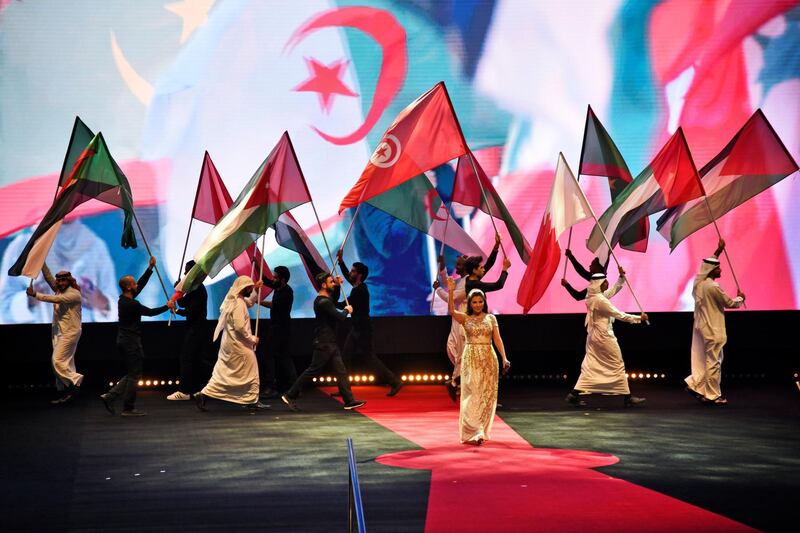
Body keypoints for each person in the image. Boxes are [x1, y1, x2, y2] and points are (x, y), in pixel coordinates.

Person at [281, 272, 366, 411]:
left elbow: (334, 299)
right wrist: (347, 310)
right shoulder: (323, 302)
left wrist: (338, 286)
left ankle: (349, 401)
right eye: (331, 282)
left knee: (341, 371)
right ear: (323, 285)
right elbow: (340, 317)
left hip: (329, 342)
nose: (333, 283)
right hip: (324, 342)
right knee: (312, 371)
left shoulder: (324, 299)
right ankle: (290, 394)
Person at [100, 256, 174, 416]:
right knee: (135, 375)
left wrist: (150, 269)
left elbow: (140, 286)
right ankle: (128, 407)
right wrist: (166, 306)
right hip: (130, 342)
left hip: (125, 340)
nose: (136, 285)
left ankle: (110, 396)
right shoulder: (131, 304)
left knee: (132, 373)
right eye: (133, 283)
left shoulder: (124, 300)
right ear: (128, 288)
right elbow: (150, 312)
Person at [434, 235, 502, 401]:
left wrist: (438, 290)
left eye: (458, 265)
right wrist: (442, 267)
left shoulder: (468, 282)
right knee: (456, 352)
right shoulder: (463, 280)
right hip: (458, 320)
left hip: (465, 321)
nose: (456, 267)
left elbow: (454, 296)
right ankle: (458, 383)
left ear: (466, 268)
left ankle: (458, 385)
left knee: (463, 354)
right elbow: (448, 281)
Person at [565, 273, 648, 408]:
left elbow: (613, 290)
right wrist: (639, 318)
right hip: (604, 337)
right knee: (617, 363)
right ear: (599, 284)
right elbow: (619, 314)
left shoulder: (593, 296)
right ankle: (627, 398)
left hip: (593, 337)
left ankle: (574, 395)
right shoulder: (600, 300)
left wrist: (621, 277)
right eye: (605, 282)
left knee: (590, 364)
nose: (607, 284)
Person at [446, 278, 510, 445]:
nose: (477, 304)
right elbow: (452, 310)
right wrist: (451, 290)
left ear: (484, 302)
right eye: (474, 302)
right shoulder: (465, 318)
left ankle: (480, 428)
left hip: (489, 359)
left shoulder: (491, 318)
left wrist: (504, 357)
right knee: (472, 394)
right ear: (470, 303)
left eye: (480, 301)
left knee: (486, 395)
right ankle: (472, 431)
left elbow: (498, 339)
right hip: (471, 358)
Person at [685, 240, 744, 405]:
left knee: (703, 360)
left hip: (702, 328)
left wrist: (718, 251)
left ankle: (697, 386)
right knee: (713, 363)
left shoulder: (698, 284)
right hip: (713, 329)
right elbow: (730, 303)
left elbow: (703, 267)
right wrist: (741, 298)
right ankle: (712, 395)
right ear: (712, 270)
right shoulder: (713, 287)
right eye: (718, 267)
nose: (721, 269)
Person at [195, 276, 267, 413]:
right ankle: (252, 401)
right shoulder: (238, 304)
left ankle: (204, 394)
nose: (251, 289)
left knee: (222, 373)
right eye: (250, 287)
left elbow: (250, 302)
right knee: (252, 371)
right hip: (239, 345)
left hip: (229, 344)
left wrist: (256, 288)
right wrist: (252, 339)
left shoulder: (233, 301)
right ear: (243, 288)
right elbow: (240, 327)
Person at [336, 250, 402, 397]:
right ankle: (344, 389)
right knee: (346, 356)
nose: (350, 273)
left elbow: (343, 305)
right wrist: (341, 262)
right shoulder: (358, 287)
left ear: (358, 275)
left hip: (363, 330)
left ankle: (394, 381)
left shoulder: (359, 291)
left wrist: (329, 298)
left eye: (353, 271)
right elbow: (348, 277)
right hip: (357, 328)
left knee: (369, 359)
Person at [25, 263, 83, 404]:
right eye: (59, 280)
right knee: (64, 364)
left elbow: (55, 299)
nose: (60, 283)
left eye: (64, 280)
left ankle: (76, 380)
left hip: (70, 332)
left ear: (69, 281)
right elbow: (48, 276)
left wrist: (35, 294)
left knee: (57, 360)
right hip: (59, 332)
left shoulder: (73, 294)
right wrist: (42, 261)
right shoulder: (59, 290)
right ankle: (66, 393)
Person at [167, 260, 209, 401]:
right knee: (195, 360)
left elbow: (190, 312)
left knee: (187, 359)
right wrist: (179, 291)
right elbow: (184, 302)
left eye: (187, 271)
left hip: (197, 329)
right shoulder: (193, 288)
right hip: (194, 328)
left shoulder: (198, 289)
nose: (184, 274)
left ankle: (185, 391)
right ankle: (198, 389)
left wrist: (177, 310)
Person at [256, 266, 297, 399]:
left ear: (283, 279)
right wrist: (256, 265)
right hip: (277, 327)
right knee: (283, 356)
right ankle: (293, 386)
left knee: (269, 355)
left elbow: (274, 305)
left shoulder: (287, 292)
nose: (273, 279)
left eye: (276, 277)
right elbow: (266, 280)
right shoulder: (278, 287)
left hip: (282, 328)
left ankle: (272, 387)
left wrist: (258, 302)